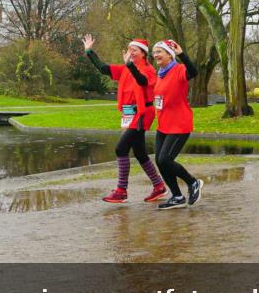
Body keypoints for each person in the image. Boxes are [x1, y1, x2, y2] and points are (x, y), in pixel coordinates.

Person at [83, 35, 166, 204]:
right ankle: (159, 186)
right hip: (129, 114)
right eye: (129, 50)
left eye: (134, 50)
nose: (130, 53)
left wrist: (129, 64)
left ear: (143, 53)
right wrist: (89, 51)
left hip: (143, 113)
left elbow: (142, 81)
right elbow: (103, 68)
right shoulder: (126, 69)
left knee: (121, 149)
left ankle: (121, 191)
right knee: (140, 152)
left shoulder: (148, 69)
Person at [129, 39, 203, 210]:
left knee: (165, 159)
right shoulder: (160, 74)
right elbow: (145, 84)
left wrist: (182, 54)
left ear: (170, 55)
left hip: (179, 124)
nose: (155, 55)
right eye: (154, 52)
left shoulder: (179, 70)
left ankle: (193, 183)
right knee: (160, 161)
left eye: (159, 52)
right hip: (164, 125)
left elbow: (193, 71)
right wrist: (130, 66)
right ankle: (177, 196)